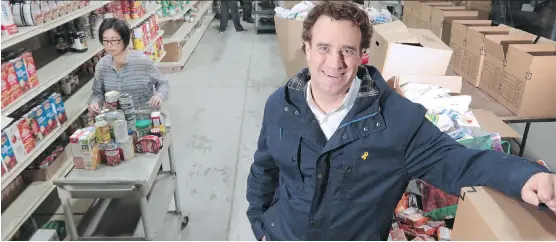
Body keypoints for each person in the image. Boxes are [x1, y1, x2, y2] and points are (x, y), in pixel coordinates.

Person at [245, 2, 555, 241]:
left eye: (347, 51)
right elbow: (264, 170)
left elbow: (459, 162)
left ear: (362, 55)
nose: (334, 62)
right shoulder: (281, 106)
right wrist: (260, 224)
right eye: (324, 48)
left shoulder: (396, 122)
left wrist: (525, 176)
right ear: (307, 48)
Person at [88, 18, 169, 115]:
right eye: (105, 41)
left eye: (114, 40)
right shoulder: (102, 65)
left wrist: (158, 96)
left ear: (125, 39)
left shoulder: (142, 62)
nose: (109, 45)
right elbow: (97, 93)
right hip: (117, 121)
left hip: (145, 119)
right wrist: (94, 103)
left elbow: (163, 84)